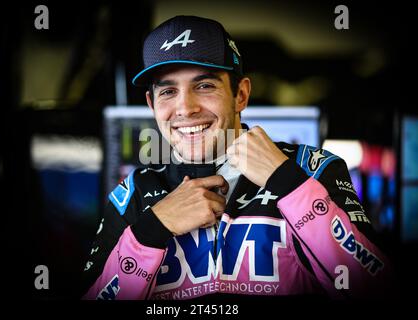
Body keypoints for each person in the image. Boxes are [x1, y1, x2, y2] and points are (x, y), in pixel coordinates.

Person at [81, 15, 391, 300]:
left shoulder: (315, 168)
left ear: (240, 94)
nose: (185, 108)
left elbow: (374, 286)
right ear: (151, 103)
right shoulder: (133, 192)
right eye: (168, 91)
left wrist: (289, 184)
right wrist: (151, 229)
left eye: (204, 85)